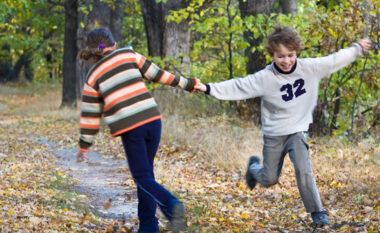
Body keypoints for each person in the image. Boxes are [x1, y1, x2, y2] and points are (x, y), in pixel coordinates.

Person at [194, 25, 372, 227]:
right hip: (274, 135)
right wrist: (207, 88)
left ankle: (317, 212)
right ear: (272, 55)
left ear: (296, 53)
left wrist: (358, 48)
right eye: (280, 56)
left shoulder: (310, 68)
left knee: (304, 171)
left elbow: (334, 60)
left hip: (297, 131)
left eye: (290, 55)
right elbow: (238, 86)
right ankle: (254, 168)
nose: (286, 61)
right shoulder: (265, 78)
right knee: (269, 179)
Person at [76, 28, 197, 233]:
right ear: (113, 44)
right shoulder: (129, 55)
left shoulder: (92, 76)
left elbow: (90, 115)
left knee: (142, 177)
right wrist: (189, 84)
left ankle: (172, 205)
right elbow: (161, 75)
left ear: (93, 51)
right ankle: (149, 225)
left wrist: (84, 147)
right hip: (152, 120)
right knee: (146, 175)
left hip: (132, 128)